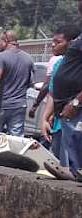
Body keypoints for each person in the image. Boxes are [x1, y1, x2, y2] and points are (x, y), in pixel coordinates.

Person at [45, 0, 82, 177]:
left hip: (76, 104)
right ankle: (73, 173)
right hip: (66, 106)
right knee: (70, 148)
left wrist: (76, 102)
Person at [0, 31, 34, 136]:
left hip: (0, 105)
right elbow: (30, 82)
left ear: (6, 41)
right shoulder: (28, 58)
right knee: (17, 139)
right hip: (19, 105)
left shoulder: (0, 57)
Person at [30, 26, 78, 121]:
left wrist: (74, 103)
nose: (53, 44)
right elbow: (52, 92)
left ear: (71, 43)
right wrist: (46, 118)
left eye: (58, 42)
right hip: (58, 120)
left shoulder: (77, 67)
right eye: (53, 41)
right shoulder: (57, 64)